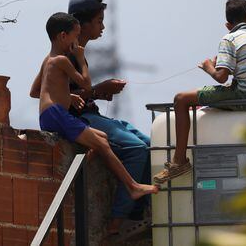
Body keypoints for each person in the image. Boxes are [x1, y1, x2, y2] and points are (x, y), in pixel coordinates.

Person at [30, 12, 159, 203]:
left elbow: (35, 91)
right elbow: (86, 85)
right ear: (63, 36)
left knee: (102, 138)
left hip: (50, 113)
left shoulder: (48, 60)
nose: (77, 44)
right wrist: (81, 59)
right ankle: (133, 187)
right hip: (56, 115)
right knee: (101, 143)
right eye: (75, 37)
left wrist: (68, 95)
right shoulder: (63, 60)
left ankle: (80, 170)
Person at [153, 0, 246, 184]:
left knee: (181, 99)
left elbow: (221, 77)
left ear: (228, 25)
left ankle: (179, 162)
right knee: (218, 94)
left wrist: (208, 66)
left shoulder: (229, 39)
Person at [67, 0, 154, 236]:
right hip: (80, 120)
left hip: (91, 114)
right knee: (135, 149)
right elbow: (59, 99)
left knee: (148, 144)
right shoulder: (66, 55)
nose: (103, 26)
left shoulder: (80, 51)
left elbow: (79, 92)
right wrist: (98, 90)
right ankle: (118, 223)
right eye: (98, 21)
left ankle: (138, 215)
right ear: (81, 24)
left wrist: (97, 92)